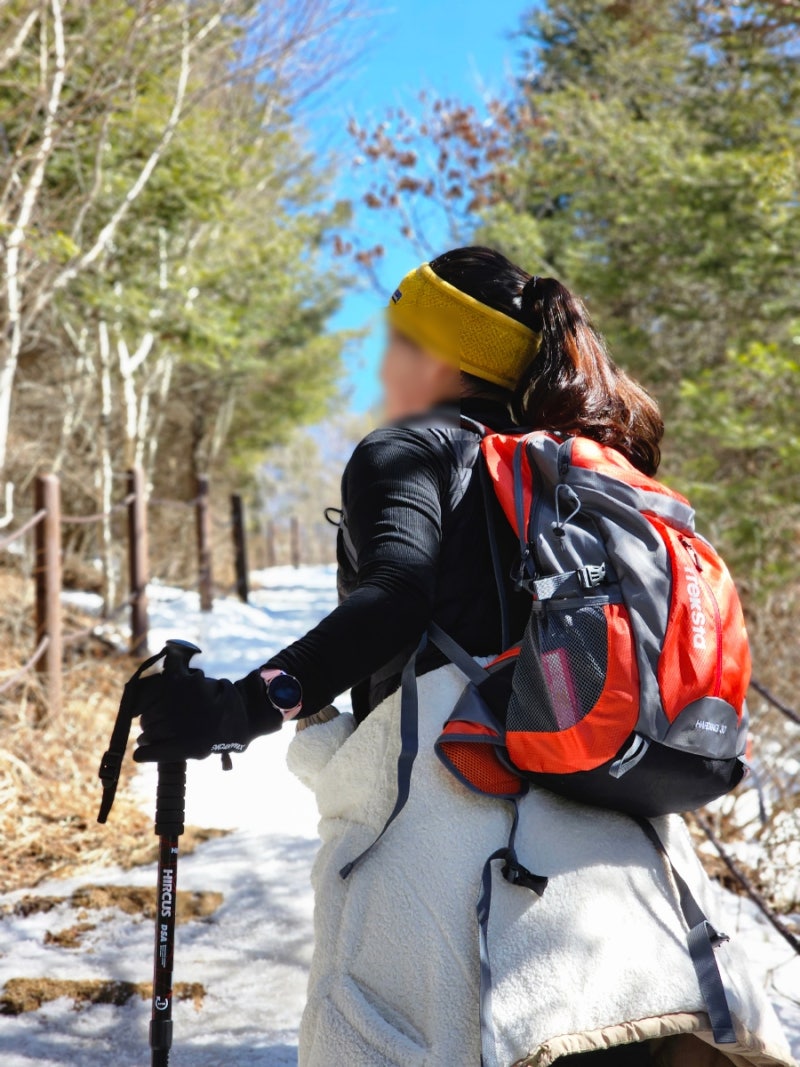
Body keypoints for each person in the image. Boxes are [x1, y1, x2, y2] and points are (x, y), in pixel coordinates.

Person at [134, 247, 793, 1067]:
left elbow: (394, 600)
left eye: (395, 341)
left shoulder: (409, 449)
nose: (380, 365)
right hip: (643, 895)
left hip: (463, 862)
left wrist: (239, 707)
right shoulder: (574, 469)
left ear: (442, 354)